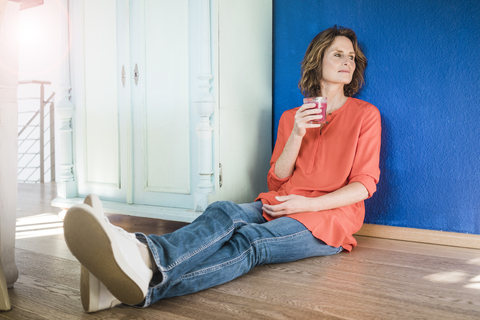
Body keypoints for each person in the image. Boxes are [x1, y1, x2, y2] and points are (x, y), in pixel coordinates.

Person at [63, 25, 381, 313]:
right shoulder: (291, 117)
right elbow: (277, 178)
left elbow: (364, 185)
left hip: (329, 220)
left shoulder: (366, 115)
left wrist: (307, 204)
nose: (347, 62)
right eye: (337, 54)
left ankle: (138, 273)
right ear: (318, 60)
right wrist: (297, 133)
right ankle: (138, 259)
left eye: (351, 57)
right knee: (224, 211)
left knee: (251, 241)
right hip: (282, 202)